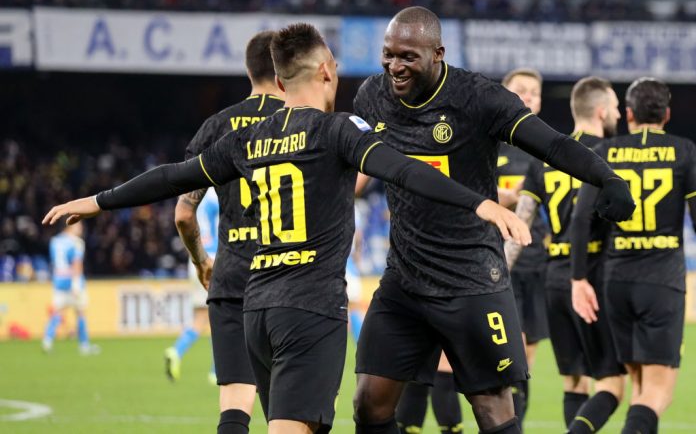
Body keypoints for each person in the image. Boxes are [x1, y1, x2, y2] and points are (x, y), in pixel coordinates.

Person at [43, 23, 532, 434]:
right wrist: (479, 204)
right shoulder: (338, 130)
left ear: (277, 82)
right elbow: (405, 169)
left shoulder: (246, 138)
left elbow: (174, 177)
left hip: (257, 309)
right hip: (310, 309)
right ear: (326, 71)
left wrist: (98, 201)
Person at [351, 6, 635, 434]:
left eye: (408, 56)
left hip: (471, 277)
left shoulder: (478, 98)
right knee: (368, 405)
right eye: (389, 54)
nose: (395, 66)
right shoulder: (372, 96)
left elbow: (553, 145)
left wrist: (606, 177)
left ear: (438, 53)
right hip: (404, 278)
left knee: (493, 412)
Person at [166, 30, 285, 434]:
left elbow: (184, 215)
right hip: (291, 278)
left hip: (232, 277)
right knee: (292, 410)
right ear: (286, 70)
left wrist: (202, 261)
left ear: (248, 71)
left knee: (235, 406)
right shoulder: (304, 121)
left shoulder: (217, 125)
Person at [571, 77, 696, 434]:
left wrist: (578, 278)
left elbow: (581, 219)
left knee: (639, 389)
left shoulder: (605, 151)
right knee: (657, 394)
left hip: (616, 282)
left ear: (628, 114)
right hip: (662, 282)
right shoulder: (684, 150)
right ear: (667, 114)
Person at [506, 76, 625, 433]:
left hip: (554, 280)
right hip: (593, 277)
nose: (618, 113)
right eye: (615, 107)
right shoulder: (610, 154)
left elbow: (521, 221)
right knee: (611, 383)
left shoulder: (543, 158)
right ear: (601, 111)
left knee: (574, 380)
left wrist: (499, 274)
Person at [496, 67, 550, 427]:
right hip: (500, 260)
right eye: (521, 90)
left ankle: (518, 424)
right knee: (509, 351)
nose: (528, 96)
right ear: (505, 94)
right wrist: (514, 196)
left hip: (538, 260)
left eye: (534, 92)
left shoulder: (547, 148)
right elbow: (473, 192)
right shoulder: (490, 143)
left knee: (528, 355)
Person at [165, 188, 219, 384]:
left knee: (201, 318)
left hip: (195, 258)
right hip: (214, 258)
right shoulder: (218, 194)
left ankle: (176, 351)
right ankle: (216, 370)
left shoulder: (194, 192)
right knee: (221, 317)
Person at [42, 221, 100, 355]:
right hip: (73, 281)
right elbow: (77, 263)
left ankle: (47, 341)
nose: (81, 228)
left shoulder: (55, 241)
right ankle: (84, 345)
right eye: (78, 225)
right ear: (70, 226)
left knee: (57, 312)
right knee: (80, 312)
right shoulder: (77, 242)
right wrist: (76, 283)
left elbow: (54, 262)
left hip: (59, 281)